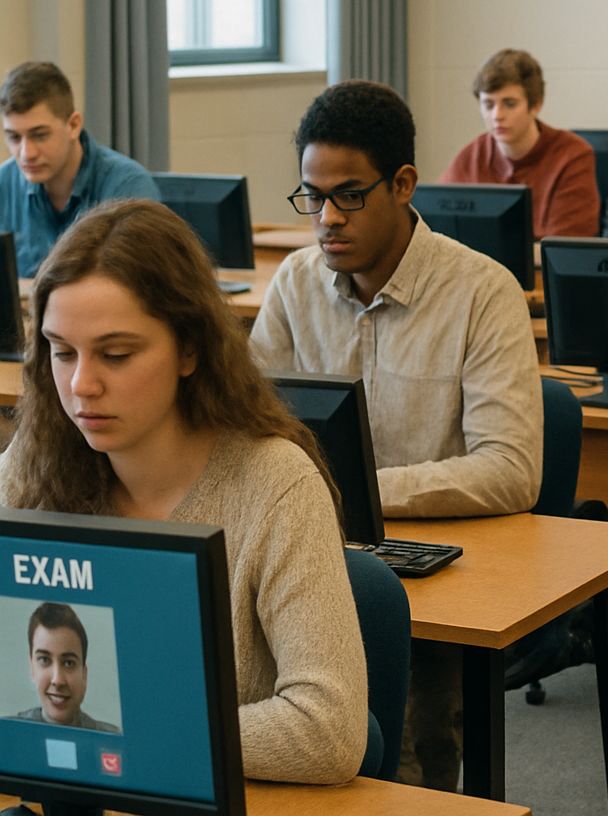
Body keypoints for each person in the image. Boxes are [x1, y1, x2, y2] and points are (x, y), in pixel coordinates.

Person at [0, 199, 367, 783]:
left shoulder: (275, 484)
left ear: (190, 350)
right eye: (61, 351)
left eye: (116, 355)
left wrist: (119, 733)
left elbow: (329, 729)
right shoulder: (32, 465)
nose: (80, 385)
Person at [249, 80, 543, 791]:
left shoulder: (482, 292)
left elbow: (509, 469)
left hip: (434, 571)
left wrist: (356, 493)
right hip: (307, 551)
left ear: (404, 184)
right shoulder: (293, 285)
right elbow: (243, 429)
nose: (325, 217)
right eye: (311, 196)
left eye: (348, 194)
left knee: (407, 768)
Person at [0, 62, 159, 277]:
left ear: (73, 125)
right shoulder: (4, 182)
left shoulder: (128, 186)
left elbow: (138, 285)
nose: (26, 153)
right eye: (14, 137)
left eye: (40, 135)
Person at [439, 48, 600, 238]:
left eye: (510, 104)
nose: (497, 116)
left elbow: (566, 251)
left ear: (536, 105)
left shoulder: (572, 156)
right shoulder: (471, 156)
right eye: (488, 105)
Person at [15, 602, 119, 733]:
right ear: (32, 669)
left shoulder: (112, 737)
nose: (57, 680)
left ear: (84, 674)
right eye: (45, 660)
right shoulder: (7, 735)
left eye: (68, 663)